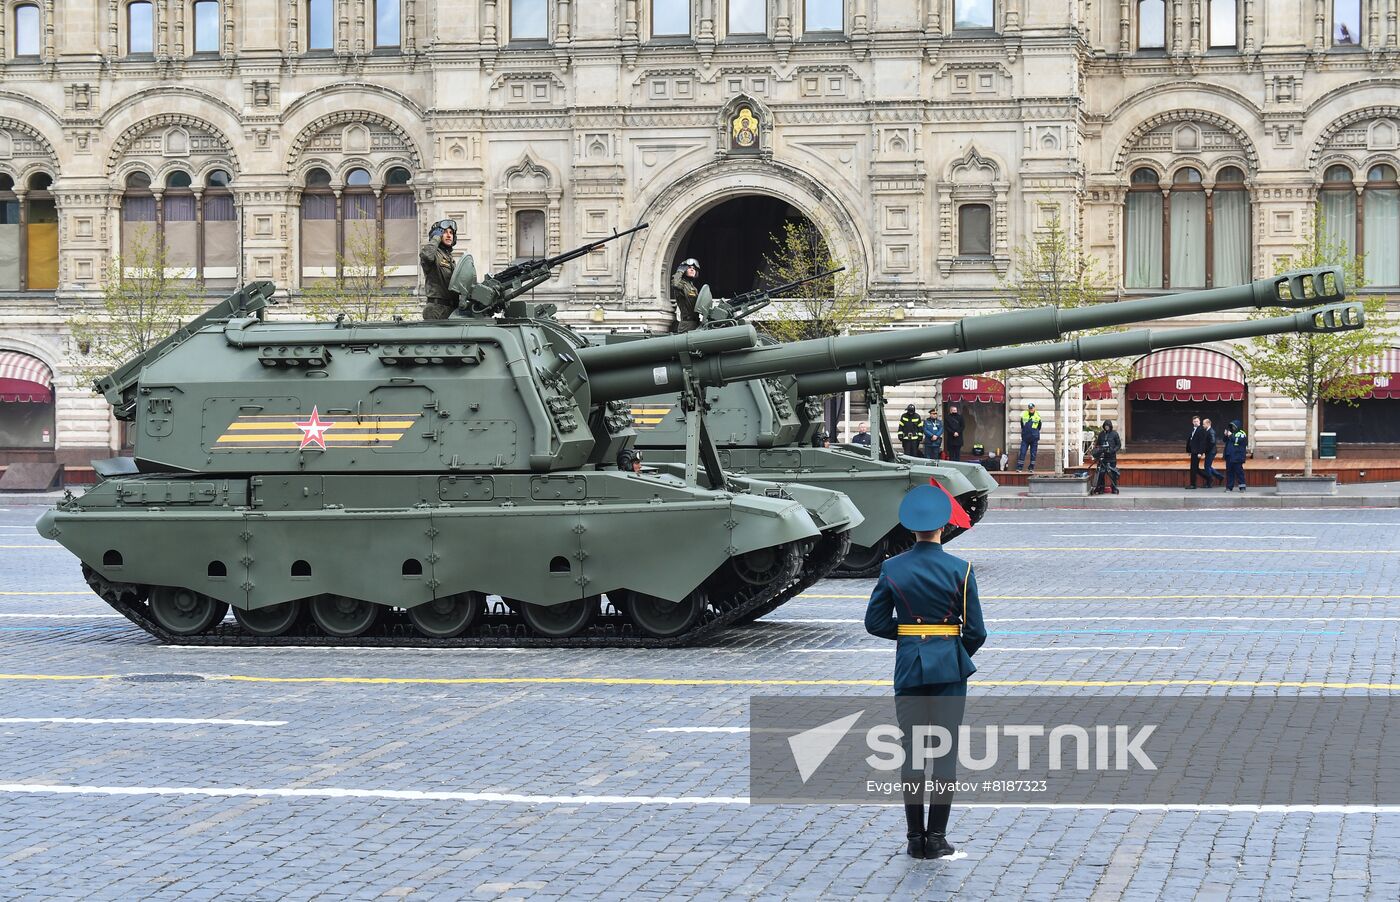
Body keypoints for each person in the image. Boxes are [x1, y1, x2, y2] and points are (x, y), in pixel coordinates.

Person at [865, 484, 987, 860]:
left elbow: (875, 622)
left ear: (911, 528)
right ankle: (937, 838)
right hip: (949, 668)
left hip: (909, 668)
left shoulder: (892, 567)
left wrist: (910, 641)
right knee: (945, 755)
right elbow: (977, 631)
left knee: (913, 753)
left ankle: (914, 839)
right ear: (942, 527)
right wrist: (950, 651)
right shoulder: (960, 569)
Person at [420, 220, 460, 320]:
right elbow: (426, 255)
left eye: (451, 233)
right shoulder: (434, 254)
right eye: (444, 232)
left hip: (451, 310)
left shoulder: (449, 258)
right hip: (436, 310)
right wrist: (436, 238)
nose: (448, 235)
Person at [1091, 419, 1122, 495]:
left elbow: (1118, 445)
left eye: (1108, 426)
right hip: (1103, 457)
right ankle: (1101, 488)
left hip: (1111, 457)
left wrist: (1113, 450)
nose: (1106, 427)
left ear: (1110, 426)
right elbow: (1097, 445)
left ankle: (1114, 488)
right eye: (1105, 426)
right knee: (1101, 473)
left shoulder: (1115, 434)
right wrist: (1097, 451)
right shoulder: (1101, 434)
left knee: (1113, 473)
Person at [670, 258, 701, 332]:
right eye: (689, 268)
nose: (692, 270)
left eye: (694, 268)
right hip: (687, 324)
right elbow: (675, 284)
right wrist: (680, 271)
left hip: (695, 323)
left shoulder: (693, 287)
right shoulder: (682, 285)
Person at [1223, 419, 1248, 492]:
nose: (1233, 428)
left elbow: (1238, 441)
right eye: (1232, 426)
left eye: (1234, 426)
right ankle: (1229, 487)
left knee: (1239, 472)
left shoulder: (1241, 433)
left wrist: (1230, 435)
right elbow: (1225, 441)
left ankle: (1242, 487)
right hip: (1229, 456)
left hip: (1237, 456)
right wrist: (1225, 435)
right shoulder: (1230, 433)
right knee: (1229, 472)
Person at [1015, 403, 1042, 472]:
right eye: (1030, 408)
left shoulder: (1037, 416)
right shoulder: (1024, 415)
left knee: (1033, 454)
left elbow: (1039, 427)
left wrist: (1034, 433)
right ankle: (1019, 468)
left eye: (1032, 408)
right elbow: (1022, 425)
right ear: (1028, 408)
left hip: (1034, 438)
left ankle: (1031, 468)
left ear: (1034, 408)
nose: (1031, 409)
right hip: (1025, 438)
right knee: (1022, 452)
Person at [1186, 415, 1207, 489]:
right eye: (1194, 421)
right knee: (1195, 468)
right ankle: (1209, 478)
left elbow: (1202, 442)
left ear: (1199, 422)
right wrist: (1189, 450)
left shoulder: (1201, 429)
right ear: (1192, 422)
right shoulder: (1193, 430)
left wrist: (1200, 453)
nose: (1196, 422)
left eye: (1197, 421)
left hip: (1197, 452)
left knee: (1193, 468)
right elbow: (1190, 440)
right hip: (1193, 451)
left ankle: (1193, 485)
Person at [1202, 417, 1221, 488]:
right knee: (1208, 466)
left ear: (1208, 423)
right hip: (1210, 451)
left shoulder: (1211, 431)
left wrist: (1206, 449)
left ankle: (1209, 481)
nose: (1203, 425)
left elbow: (1212, 442)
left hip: (1211, 451)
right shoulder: (1208, 430)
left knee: (1207, 466)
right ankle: (1220, 477)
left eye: (1204, 424)